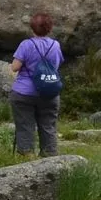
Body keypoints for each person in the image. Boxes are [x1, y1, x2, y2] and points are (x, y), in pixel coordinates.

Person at [9, 12, 64, 157]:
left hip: (23, 93)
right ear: (49, 28)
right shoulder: (55, 45)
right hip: (49, 91)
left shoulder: (26, 45)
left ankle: (28, 157)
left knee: (25, 126)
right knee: (48, 126)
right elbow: (57, 65)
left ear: (32, 28)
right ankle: (49, 157)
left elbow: (15, 67)